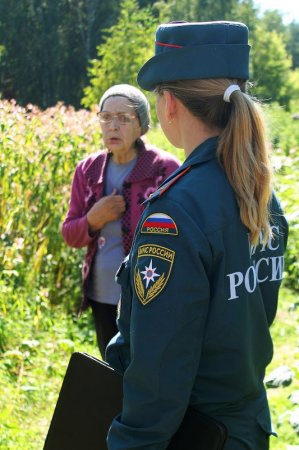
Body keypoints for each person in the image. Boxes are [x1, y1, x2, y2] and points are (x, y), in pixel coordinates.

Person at [105, 21, 289, 450]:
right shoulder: (260, 194)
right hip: (246, 429)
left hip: (193, 433)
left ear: (169, 104)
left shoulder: (175, 213)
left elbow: (159, 375)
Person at [61, 84, 180, 357]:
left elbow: (177, 238)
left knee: (148, 369)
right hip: (101, 294)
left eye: (124, 118)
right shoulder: (87, 170)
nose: (113, 126)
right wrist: (93, 218)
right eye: (106, 117)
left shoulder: (164, 169)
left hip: (149, 295)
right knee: (111, 373)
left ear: (142, 126)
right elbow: (70, 234)